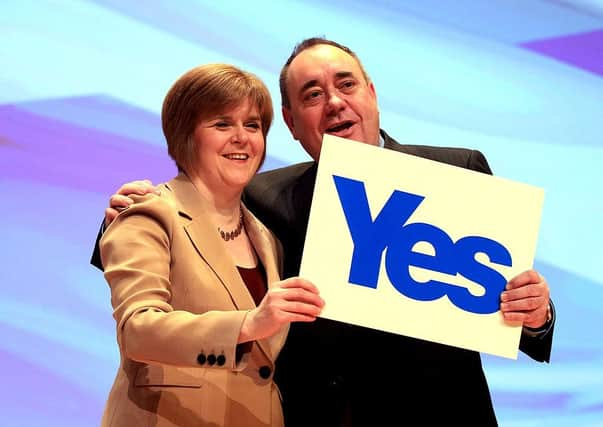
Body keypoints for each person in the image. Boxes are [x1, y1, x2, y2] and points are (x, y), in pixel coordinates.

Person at [92, 38, 555, 426]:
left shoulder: (460, 170)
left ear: (371, 93)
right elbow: (183, 239)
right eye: (312, 95)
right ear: (292, 123)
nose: (334, 102)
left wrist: (537, 315)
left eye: (346, 84)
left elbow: (503, 304)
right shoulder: (262, 195)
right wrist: (122, 214)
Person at [97, 63, 324, 427]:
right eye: (222, 124)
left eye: (252, 125)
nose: (241, 137)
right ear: (186, 135)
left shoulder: (267, 239)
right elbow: (138, 330)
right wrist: (248, 324)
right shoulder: (150, 213)